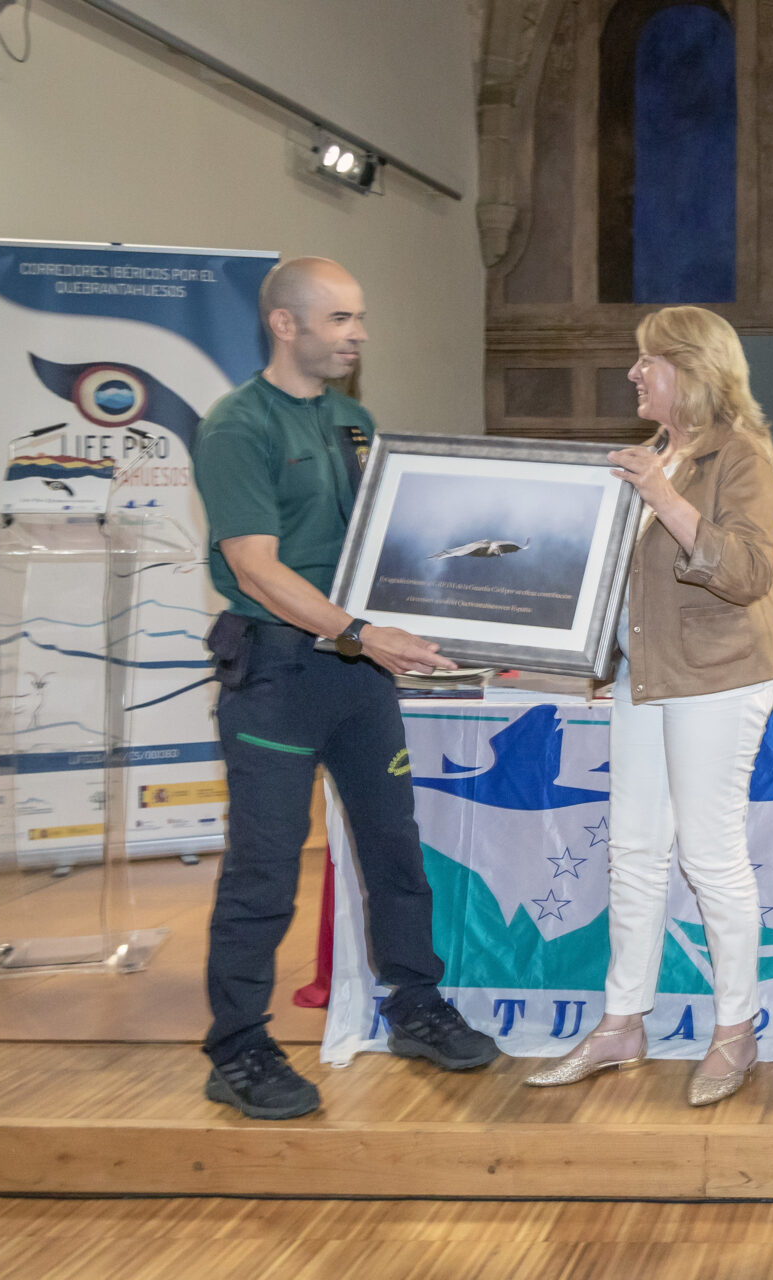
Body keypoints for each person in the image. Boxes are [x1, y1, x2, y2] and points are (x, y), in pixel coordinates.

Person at [191, 256, 498, 1120]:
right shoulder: (236, 426)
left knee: (396, 852)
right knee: (264, 871)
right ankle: (237, 1047)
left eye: (360, 318)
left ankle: (415, 1006)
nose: (358, 334)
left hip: (358, 680)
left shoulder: (355, 422)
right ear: (284, 324)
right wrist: (360, 633)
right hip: (278, 675)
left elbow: (388, 550)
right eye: (340, 319)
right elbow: (256, 569)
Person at [525, 305, 773, 1107]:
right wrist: (593, 656)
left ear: (693, 370)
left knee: (710, 854)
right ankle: (621, 1023)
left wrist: (665, 498)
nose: (633, 373)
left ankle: (735, 1030)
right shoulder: (652, 455)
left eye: (649, 360)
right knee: (635, 850)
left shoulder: (737, 455)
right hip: (643, 677)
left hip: (720, 675)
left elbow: (746, 573)